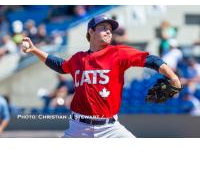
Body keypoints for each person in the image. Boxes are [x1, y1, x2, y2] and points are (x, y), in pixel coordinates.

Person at [21, 15, 182, 138]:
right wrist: (35, 50)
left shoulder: (118, 53)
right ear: (91, 31)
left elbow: (151, 60)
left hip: (110, 128)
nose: (108, 31)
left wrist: (173, 77)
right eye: (103, 27)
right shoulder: (78, 58)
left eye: (110, 29)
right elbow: (60, 65)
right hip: (78, 128)